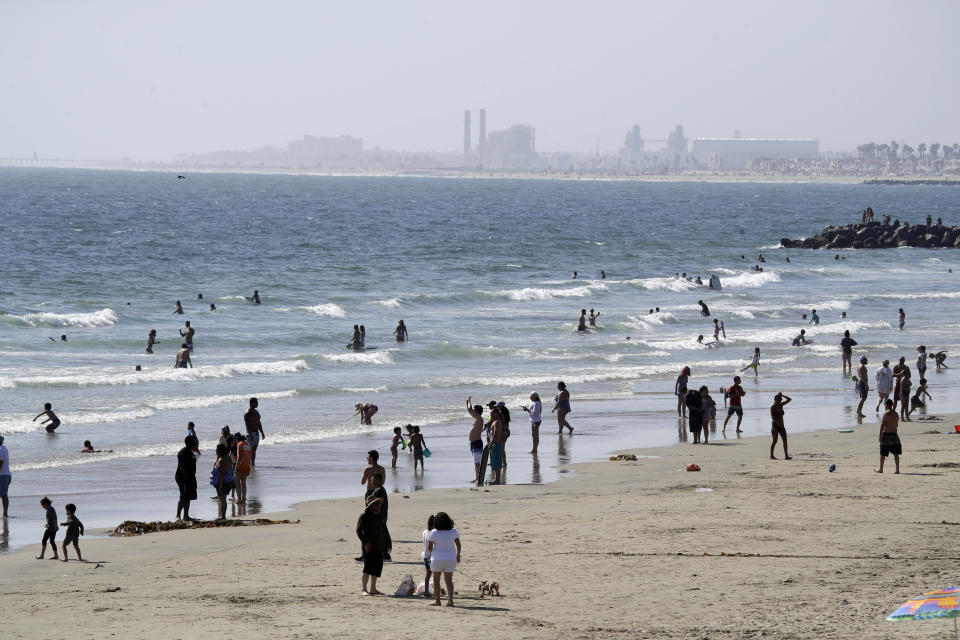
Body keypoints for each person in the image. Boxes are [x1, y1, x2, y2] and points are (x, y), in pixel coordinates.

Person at [356, 495, 391, 595]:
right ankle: (364, 589)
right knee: (367, 569)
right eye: (374, 504)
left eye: (378, 504)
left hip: (379, 546)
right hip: (368, 547)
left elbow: (385, 530)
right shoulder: (364, 516)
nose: (376, 506)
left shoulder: (380, 516)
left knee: (376, 569)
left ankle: (373, 589)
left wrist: (389, 543)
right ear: (370, 506)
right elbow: (358, 531)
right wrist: (365, 542)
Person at [427, 512, 461, 607]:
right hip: (450, 558)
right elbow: (458, 545)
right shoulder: (453, 531)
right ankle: (450, 601)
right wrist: (458, 555)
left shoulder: (434, 532)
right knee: (449, 581)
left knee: (436, 580)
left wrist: (432, 552)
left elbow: (429, 547)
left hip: (437, 558)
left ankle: (437, 601)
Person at [175, 435, 198, 521]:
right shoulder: (182, 452)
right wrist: (186, 478)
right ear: (188, 442)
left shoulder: (191, 452)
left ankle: (186, 515)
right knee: (184, 496)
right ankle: (178, 515)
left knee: (188, 497)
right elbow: (182, 467)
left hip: (191, 477)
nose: (195, 443)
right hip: (182, 477)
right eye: (193, 441)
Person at [876, 399, 901, 474]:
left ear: (887, 405)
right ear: (892, 405)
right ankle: (897, 469)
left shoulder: (886, 413)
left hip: (886, 435)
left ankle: (881, 469)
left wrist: (880, 436)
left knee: (883, 453)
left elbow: (882, 425)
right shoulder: (896, 414)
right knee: (896, 453)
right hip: (894, 435)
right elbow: (896, 424)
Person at [213, 443, 234, 519]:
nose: (215, 451)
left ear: (219, 451)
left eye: (216, 449)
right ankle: (223, 515)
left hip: (224, 481)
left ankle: (223, 516)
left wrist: (221, 485)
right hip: (229, 479)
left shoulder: (222, 460)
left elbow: (222, 474)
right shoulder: (227, 457)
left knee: (222, 499)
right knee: (222, 498)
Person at [466, 397, 484, 484]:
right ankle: (477, 477)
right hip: (474, 443)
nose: (473, 411)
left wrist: (469, 401)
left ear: (477, 411)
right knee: (475, 462)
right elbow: (469, 410)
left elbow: (469, 409)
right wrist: (467, 402)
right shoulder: (476, 419)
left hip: (477, 443)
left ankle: (479, 478)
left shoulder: (479, 418)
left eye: (474, 410)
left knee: (477, 462)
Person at [770, 393, 792, 460]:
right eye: (777, 399)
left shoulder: (781, 405)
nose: (779, 400)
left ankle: (786, 456)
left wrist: (782, 395)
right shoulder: (772, 407)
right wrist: (778, 424)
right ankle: (771, 455)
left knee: (785, 441)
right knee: (775, 441)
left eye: (780, 399)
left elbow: (789, 399)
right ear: (774, 400)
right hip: (775, 426)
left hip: (782, 426)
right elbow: (773, 418)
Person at [244, 397, 265, 467]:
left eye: (257, 402)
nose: (257, 404)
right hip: (250, 433)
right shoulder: (247, 413)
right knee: (249, 450)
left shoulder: (256, 412)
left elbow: (259, 423)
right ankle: (247, 463)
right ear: (251, 403)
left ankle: (252, 463)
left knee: (254, 449)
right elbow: (247, 425)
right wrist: (250, 434)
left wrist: (262, 432)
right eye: (256, 402)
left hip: (256, 433)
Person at [488, 406, 505, 485]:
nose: (490, 415)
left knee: (497, 463)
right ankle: (496, 479)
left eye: (491, 414)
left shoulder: (497, 422)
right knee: (494, 462)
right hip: (494, 443)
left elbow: (496, 434)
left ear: (495, 414)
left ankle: (497, 480)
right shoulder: (494, 422)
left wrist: (491, 443)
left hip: (496, 444)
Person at [421, 514, 435, 597]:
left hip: (425, 555)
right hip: (430, 556)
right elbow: (432, 546)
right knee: (433, 574)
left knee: (428, 574)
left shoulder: (425, 532)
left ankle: (427, 590)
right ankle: (427, 591)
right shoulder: (432, 533)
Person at [234, 434, 251, 504]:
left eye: (234, 440)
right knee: (243, 482)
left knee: (237, 482)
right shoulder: (247, 444)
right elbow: (250, 456)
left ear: (237, 439)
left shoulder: (239, 444)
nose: (234, 442)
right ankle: (244, 497)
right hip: (247, 465)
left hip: (241, 466)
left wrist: (236, 466)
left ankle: (239, 499)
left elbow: (240, 456)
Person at [0, 435, 10, 517]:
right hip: (5, 475)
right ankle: (5, 513)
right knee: (3, 494)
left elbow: (0, 462)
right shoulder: (3, 448)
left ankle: (5, 513)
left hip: (3, 475)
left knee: (3, 495)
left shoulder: (1, 449)